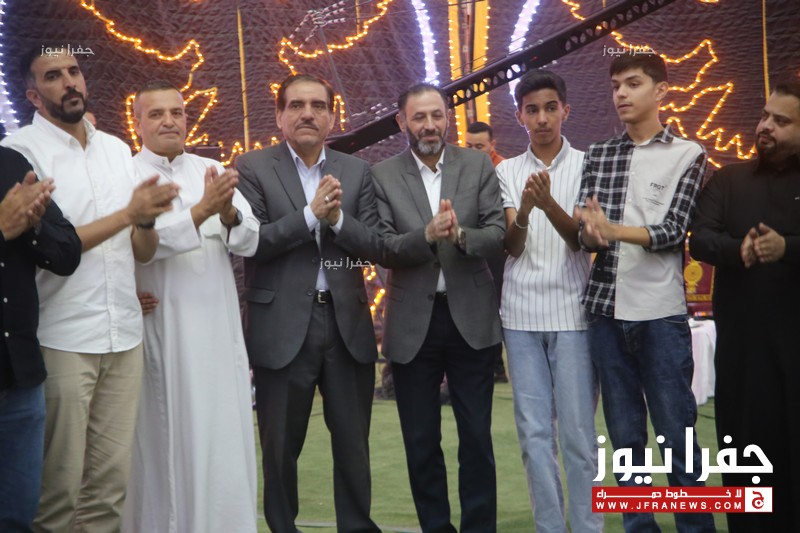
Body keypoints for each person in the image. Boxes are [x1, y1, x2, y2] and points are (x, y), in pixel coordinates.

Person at [1, 45, 178, 532]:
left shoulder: (117, 149)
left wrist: (146, 221)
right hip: (61, 337)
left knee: (108, 490)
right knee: (57, 495)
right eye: (53, 76)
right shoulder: (20, 153)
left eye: (74, 71)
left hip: (124, 334)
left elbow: (142, 251)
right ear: (33, 96)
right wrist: (128, 214)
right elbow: (57, 249)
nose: (69, 82)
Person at [573, 53, 715, 532]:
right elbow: (586, 236)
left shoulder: (689, 153)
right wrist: (590, 232)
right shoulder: (598, 153)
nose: (621, 94)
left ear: (661, 91)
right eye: (616, 85)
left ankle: (695, 527)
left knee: (678, 435)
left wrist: (612, 230)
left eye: (632, 83)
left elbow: (674, 231)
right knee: (625, 440)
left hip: (661, 314)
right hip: (604, 312)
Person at [235, 73, 383, 533]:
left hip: (346, 324)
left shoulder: (356, 171)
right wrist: (309, 215)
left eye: (318, 106)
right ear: (279, 115)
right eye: (296, 105)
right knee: (280, 446)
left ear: (332, 117)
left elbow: (374, 246)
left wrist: (336, 221)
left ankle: (356, 527)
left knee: (354, 445)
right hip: (281, 326)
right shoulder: (252, 167)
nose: (307, 114)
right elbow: (253, 243)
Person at [122, 81, 259, 533]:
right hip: (161, 328)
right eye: (156, 114)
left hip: (217, 329)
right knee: (163, 436)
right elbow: (139, 247)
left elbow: (250, 238)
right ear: (137, 123)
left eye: (177, 112)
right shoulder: (125, 175)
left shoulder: (211, 169)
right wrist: (201, 211)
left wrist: (228, 213)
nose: (169, 121)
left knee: (222, 434)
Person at [372, 83, 505, 533]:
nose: (429, 125)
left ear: (447, 117)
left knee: (477, 438)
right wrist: (426, 236)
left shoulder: (477, 164)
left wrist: (460, 236)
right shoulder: (382, 175)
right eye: (419, 117)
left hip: (471, 318)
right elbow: (382, 246)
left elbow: (497, 234)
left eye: (436, 115)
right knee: (421, 440)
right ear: (402, 122)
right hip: (414, 324)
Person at [690, 80, 800, 532]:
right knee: (745, 458)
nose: (765, 126)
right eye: (764, 116)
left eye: (781, 120)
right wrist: (739, 250)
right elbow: (701, 237)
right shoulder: (729, 180)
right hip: (743, 355)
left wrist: (787, 248)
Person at [497, 69, 601, 533]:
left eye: (550, 108)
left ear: (565, 111)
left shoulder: (588, 164)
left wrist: (547, 204)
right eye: (532, 110)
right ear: (519, 115)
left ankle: (588, 527)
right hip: (519, 316)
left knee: (578, 435)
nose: (542, 118)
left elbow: (582, 241)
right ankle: (550, 527)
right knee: (535, 436)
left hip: (574, 314)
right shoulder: (505, 170)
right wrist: (524, 209)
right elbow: (512, 246)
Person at [0, 147, 81, 532]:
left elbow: (67, 252)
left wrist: (33, 226)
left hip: (20, 377)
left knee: (18, 517)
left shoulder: (11, 164)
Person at [465, 121, 507, 384]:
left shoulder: (502, 169)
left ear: (492, 145)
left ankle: (496, 365)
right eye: (468, 145)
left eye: (479, 146)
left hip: (497, 251)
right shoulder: (462, 168)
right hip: (472, 246)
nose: (473, 151)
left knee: (494, 307)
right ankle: (495, 366)